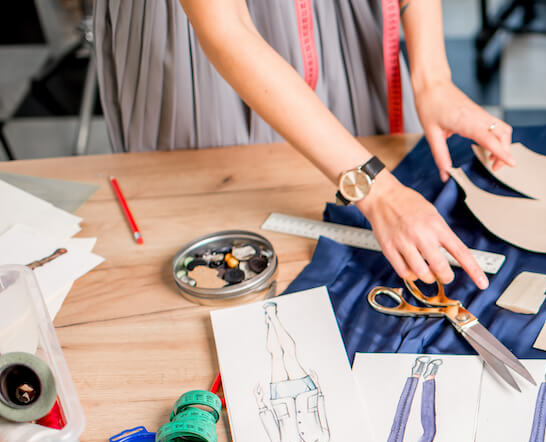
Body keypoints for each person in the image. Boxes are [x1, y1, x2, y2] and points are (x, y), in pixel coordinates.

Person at [95, 0, 514, 289]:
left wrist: (433, 78)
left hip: (335, 18)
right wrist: (378, 190)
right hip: (200, 34)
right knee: (214, 228)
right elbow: (226, 30)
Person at [254, 301, 330, 442]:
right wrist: (319, 388)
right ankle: (273, 315)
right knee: (290, 353)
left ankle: (270, 322)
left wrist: (260, 402)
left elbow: (270, 424)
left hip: (281, 401)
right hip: (307, 395)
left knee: (276, 357)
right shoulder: (323, 438)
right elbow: (322, 412)